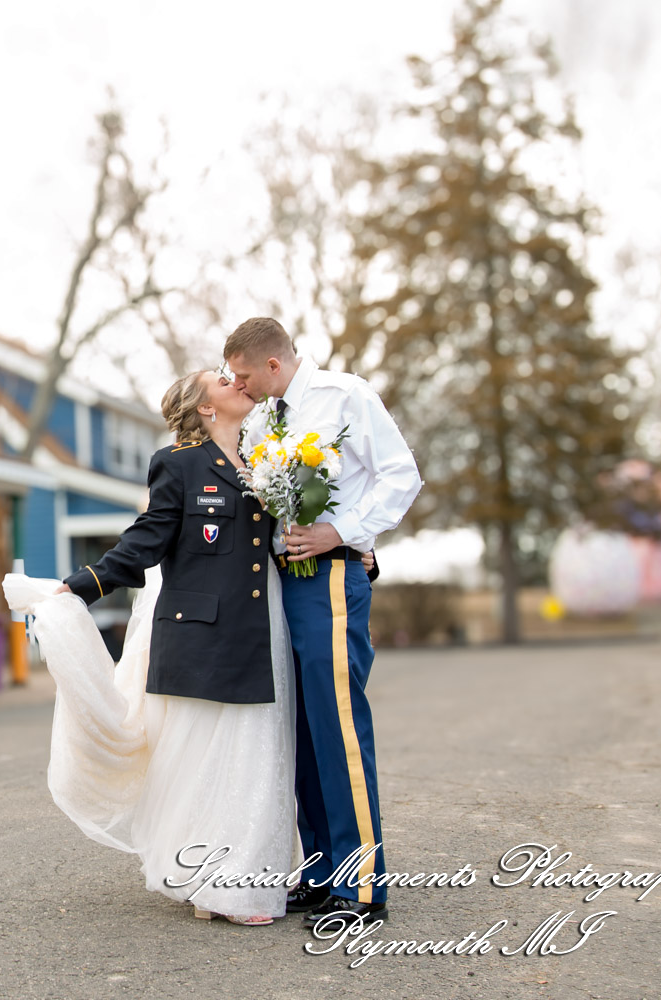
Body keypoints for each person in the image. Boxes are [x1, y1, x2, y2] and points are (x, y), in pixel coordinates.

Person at [8, 369, 374, 925]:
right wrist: (80, 583)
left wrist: (359, 552)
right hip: (201, 633)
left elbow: (300, 528)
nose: (237, 383)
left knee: (256, 758)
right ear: (206, 407)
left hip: (263, 629)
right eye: (223, 380)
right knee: (207, 760)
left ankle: (246, 878)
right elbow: (146, 538)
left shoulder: (267, 456)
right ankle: (211, 883)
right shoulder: (178, 464)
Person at [223, 317, 422, 927]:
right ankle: (320, 873)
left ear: (274, 365)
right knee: (304, 732)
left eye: (245, 374)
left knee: (337, 728)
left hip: (332, 578)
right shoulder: (261, 420)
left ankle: (363, 887)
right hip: (283, 584)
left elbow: (401, 476)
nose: (240, 384)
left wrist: (345, 531)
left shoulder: (346, 397)